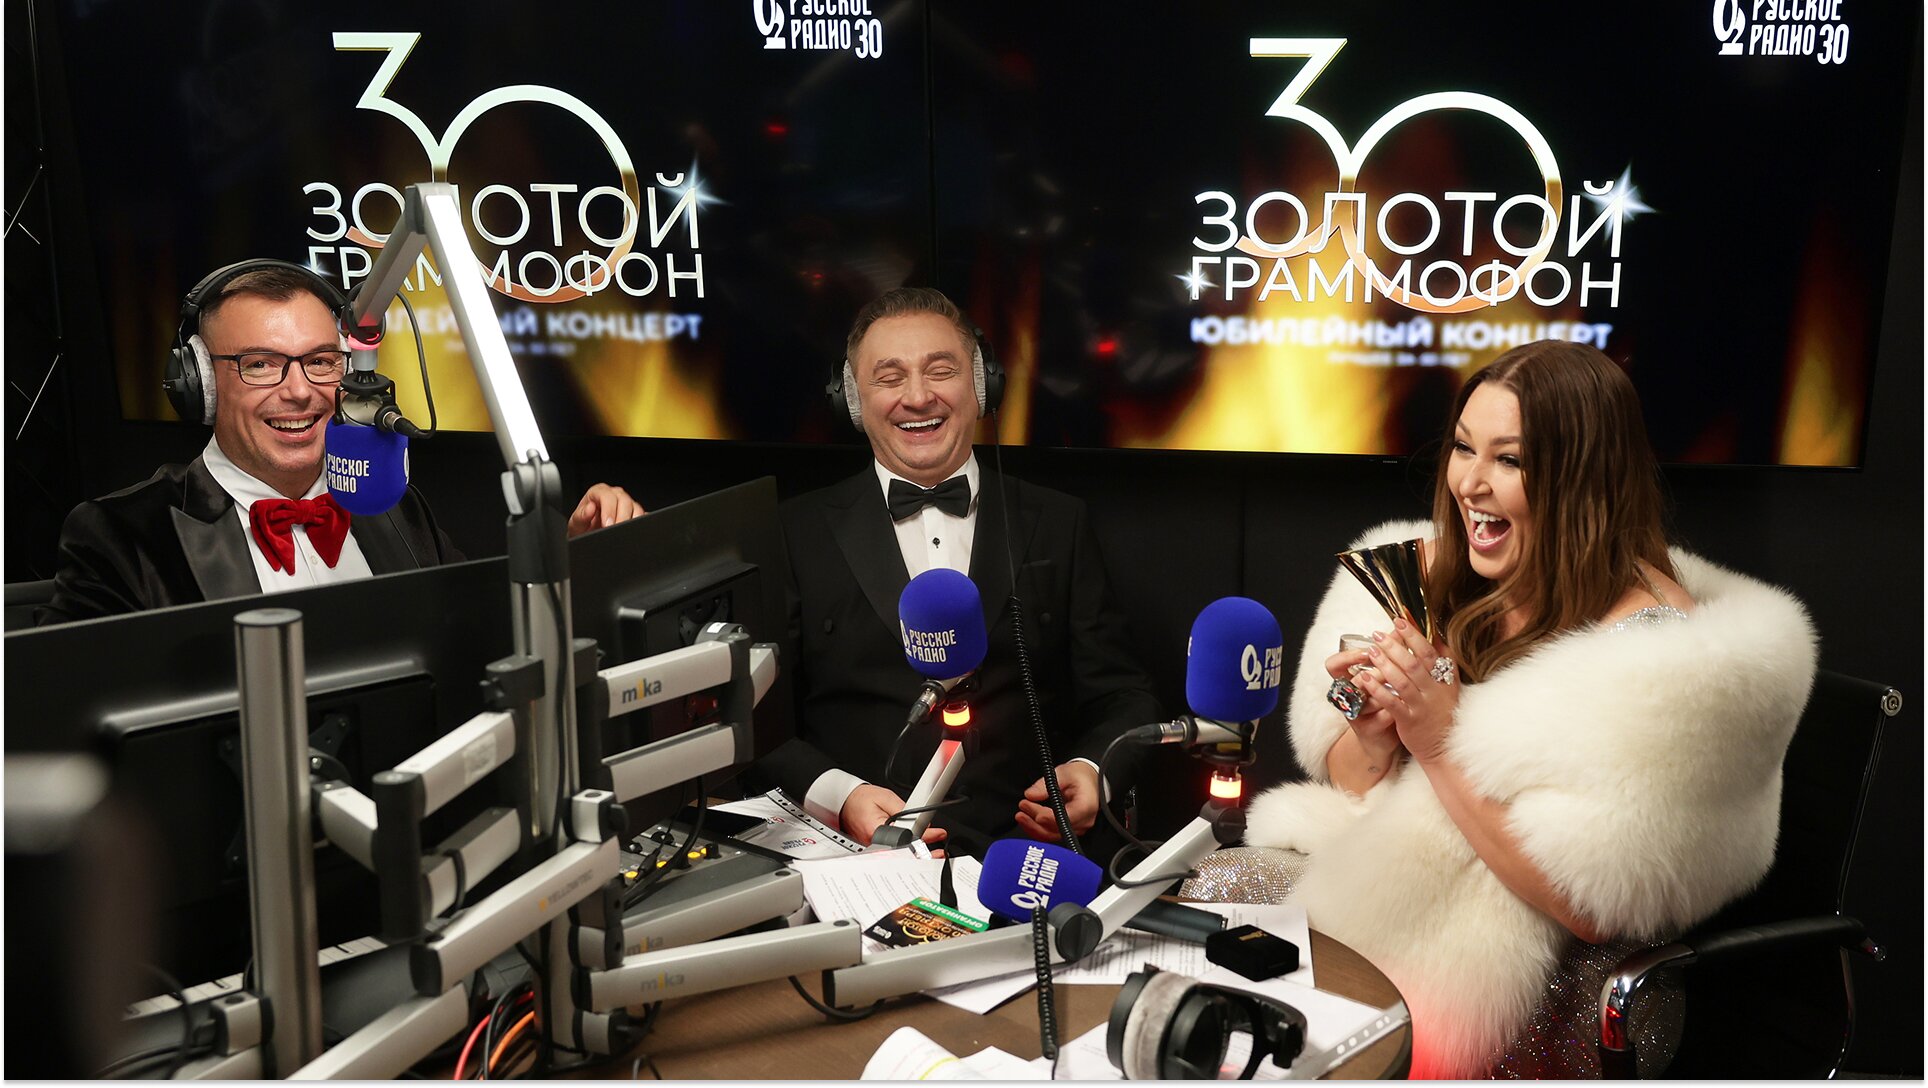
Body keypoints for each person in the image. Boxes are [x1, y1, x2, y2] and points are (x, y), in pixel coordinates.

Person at [1185, 341, 1816, 1076]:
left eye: (1509, 460)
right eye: (1462, 448)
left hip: (1557, 978)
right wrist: (1378, 738)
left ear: (1583, 477)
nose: (1470, 483)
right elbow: (1356, 784)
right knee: (1215, 895)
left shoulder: (1659, 647)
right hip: (1402, 887)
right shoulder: (1432, 574)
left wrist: (1439, 741)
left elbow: (1588, 905)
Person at [751, 287, 1162, 857]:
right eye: (889, 377)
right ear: (853, 400)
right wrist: (839, 796)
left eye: (941, 371)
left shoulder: (1058, 522)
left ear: (981, 386)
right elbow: (754, 719)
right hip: (858, 864)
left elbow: (1125, 696)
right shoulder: (792, 532)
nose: (918, 396)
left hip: (1022, 859)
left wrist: (1095, 771)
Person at [38, 263, 644, 625]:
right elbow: (70, 726)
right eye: (260, 364)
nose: (300, 391)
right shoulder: (122, 536)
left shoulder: (390, 502)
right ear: (200, 384)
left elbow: (482, 635)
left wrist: (570, 559)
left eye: (321, 361)